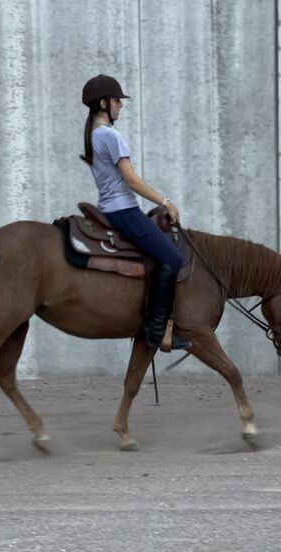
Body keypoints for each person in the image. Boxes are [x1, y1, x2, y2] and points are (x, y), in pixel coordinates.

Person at [80, 74, 190, 351]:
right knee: (172, 258)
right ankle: (157, 331)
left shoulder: (94, 135)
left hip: (112, 209)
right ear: (103, 103)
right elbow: (132, 181)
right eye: (117, 100)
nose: (121, 105)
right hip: (124, 210)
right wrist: (166, 202)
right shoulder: (110, 135)